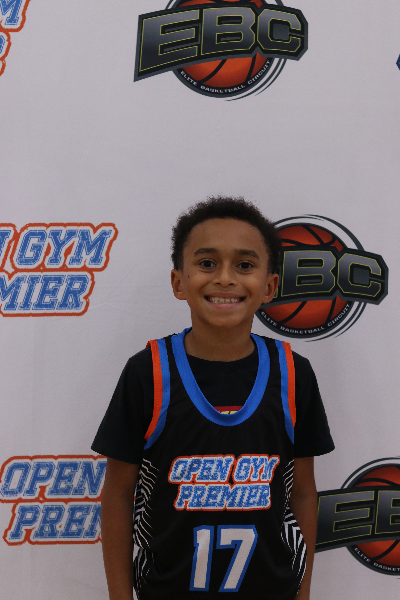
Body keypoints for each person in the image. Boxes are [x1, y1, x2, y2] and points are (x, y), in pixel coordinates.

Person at [92, 197, 334, 600]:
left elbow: (303, 493)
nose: (225, 278)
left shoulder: (294, 375)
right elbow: (118, 495)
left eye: (244, 265)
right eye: (207, 263)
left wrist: (302, 592)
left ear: (270, 286)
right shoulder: (148, 372)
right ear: (179, 282)